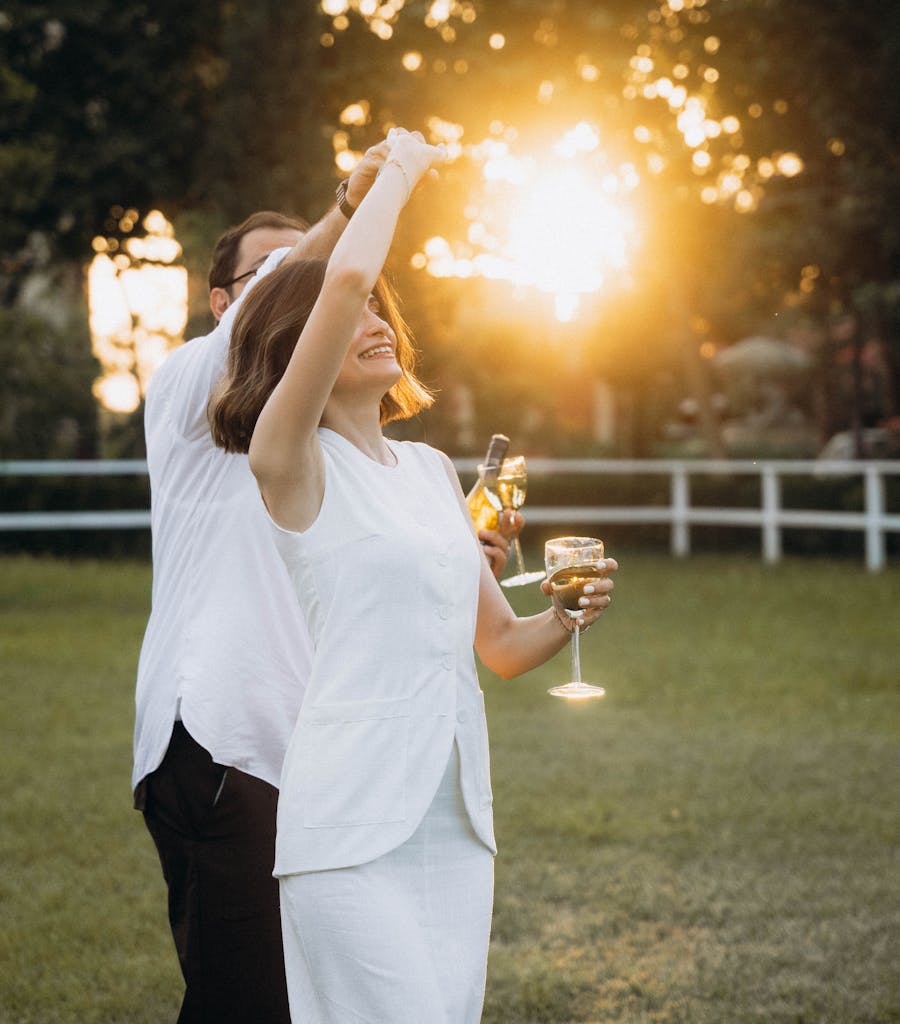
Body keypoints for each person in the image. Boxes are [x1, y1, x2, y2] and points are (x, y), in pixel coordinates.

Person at [209, 130, 617, 1023]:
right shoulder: (288, 460)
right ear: (293, 357)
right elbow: (346, 278)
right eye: (348, 319)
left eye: (382, 313)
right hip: (348, 829)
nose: (372, 320)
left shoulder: (432, 471)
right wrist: (401, 166)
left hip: (454, 825)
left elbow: (501, 651)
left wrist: (569, 614)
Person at [132, 133, 520, 1024]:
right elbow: (322, 290)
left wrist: (446, 563)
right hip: (227, 739)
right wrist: (357, 204)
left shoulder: (365, 456)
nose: (307, 278)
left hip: (332, 752)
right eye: (272, 275)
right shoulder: (195, 382)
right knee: (250, 1002)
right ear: (229, 303)